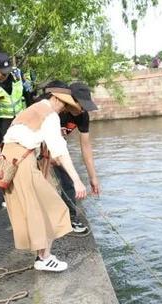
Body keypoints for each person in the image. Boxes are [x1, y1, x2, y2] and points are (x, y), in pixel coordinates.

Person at [1, 83, 87, 272]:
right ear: (55, 98)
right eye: (63, 104)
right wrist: (77, 180)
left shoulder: (34, 108)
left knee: (36, 208)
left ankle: (42, 256)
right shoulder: (49, 114)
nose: (63, 109)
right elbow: (60, 150)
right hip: (22, 162)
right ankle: (44, 258)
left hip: (12, 159)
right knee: (51, 208)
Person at [56, 82, 100, 234]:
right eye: (81, 105)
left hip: (57, 145)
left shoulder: (82, 116)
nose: (82, 110)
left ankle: (71, 218)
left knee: (67, 178)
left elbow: (86, 148)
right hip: (36, 144)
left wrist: (93, 177)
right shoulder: (56, 110)